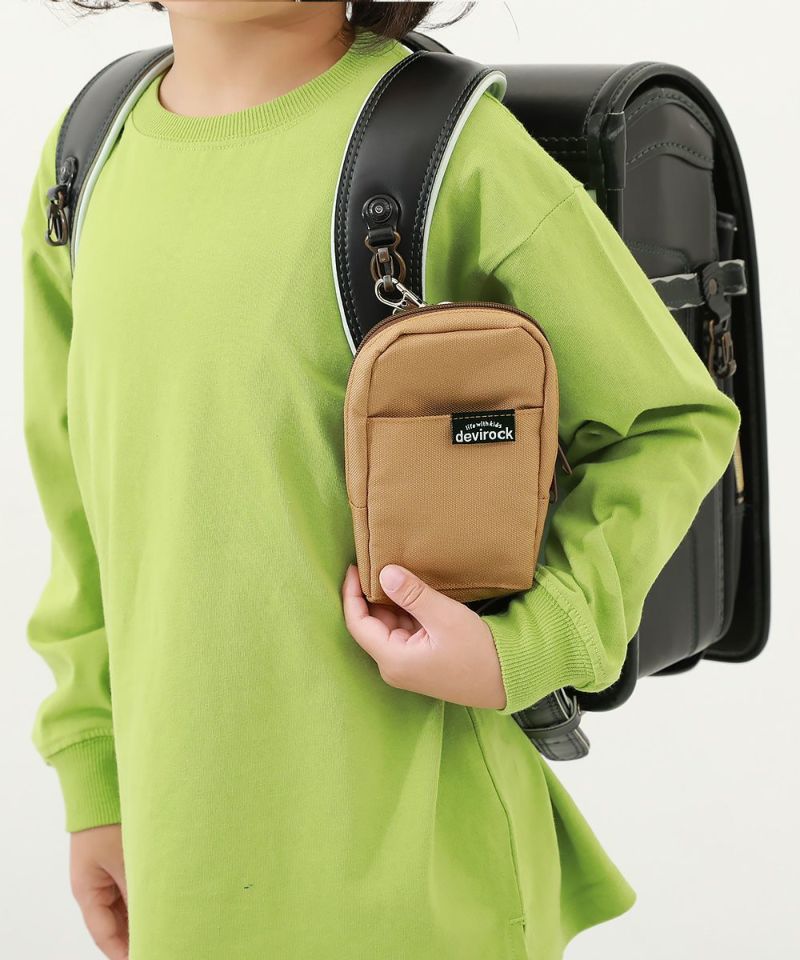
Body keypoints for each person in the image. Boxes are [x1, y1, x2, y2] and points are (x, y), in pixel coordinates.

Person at [21, 2, 741, 958]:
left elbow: (672, 421)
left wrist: (525, 646)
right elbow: (78, 506)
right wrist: (95, 778)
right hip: (184, 857)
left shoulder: (451, 152)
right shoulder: (86, 156)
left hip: (422, 881)